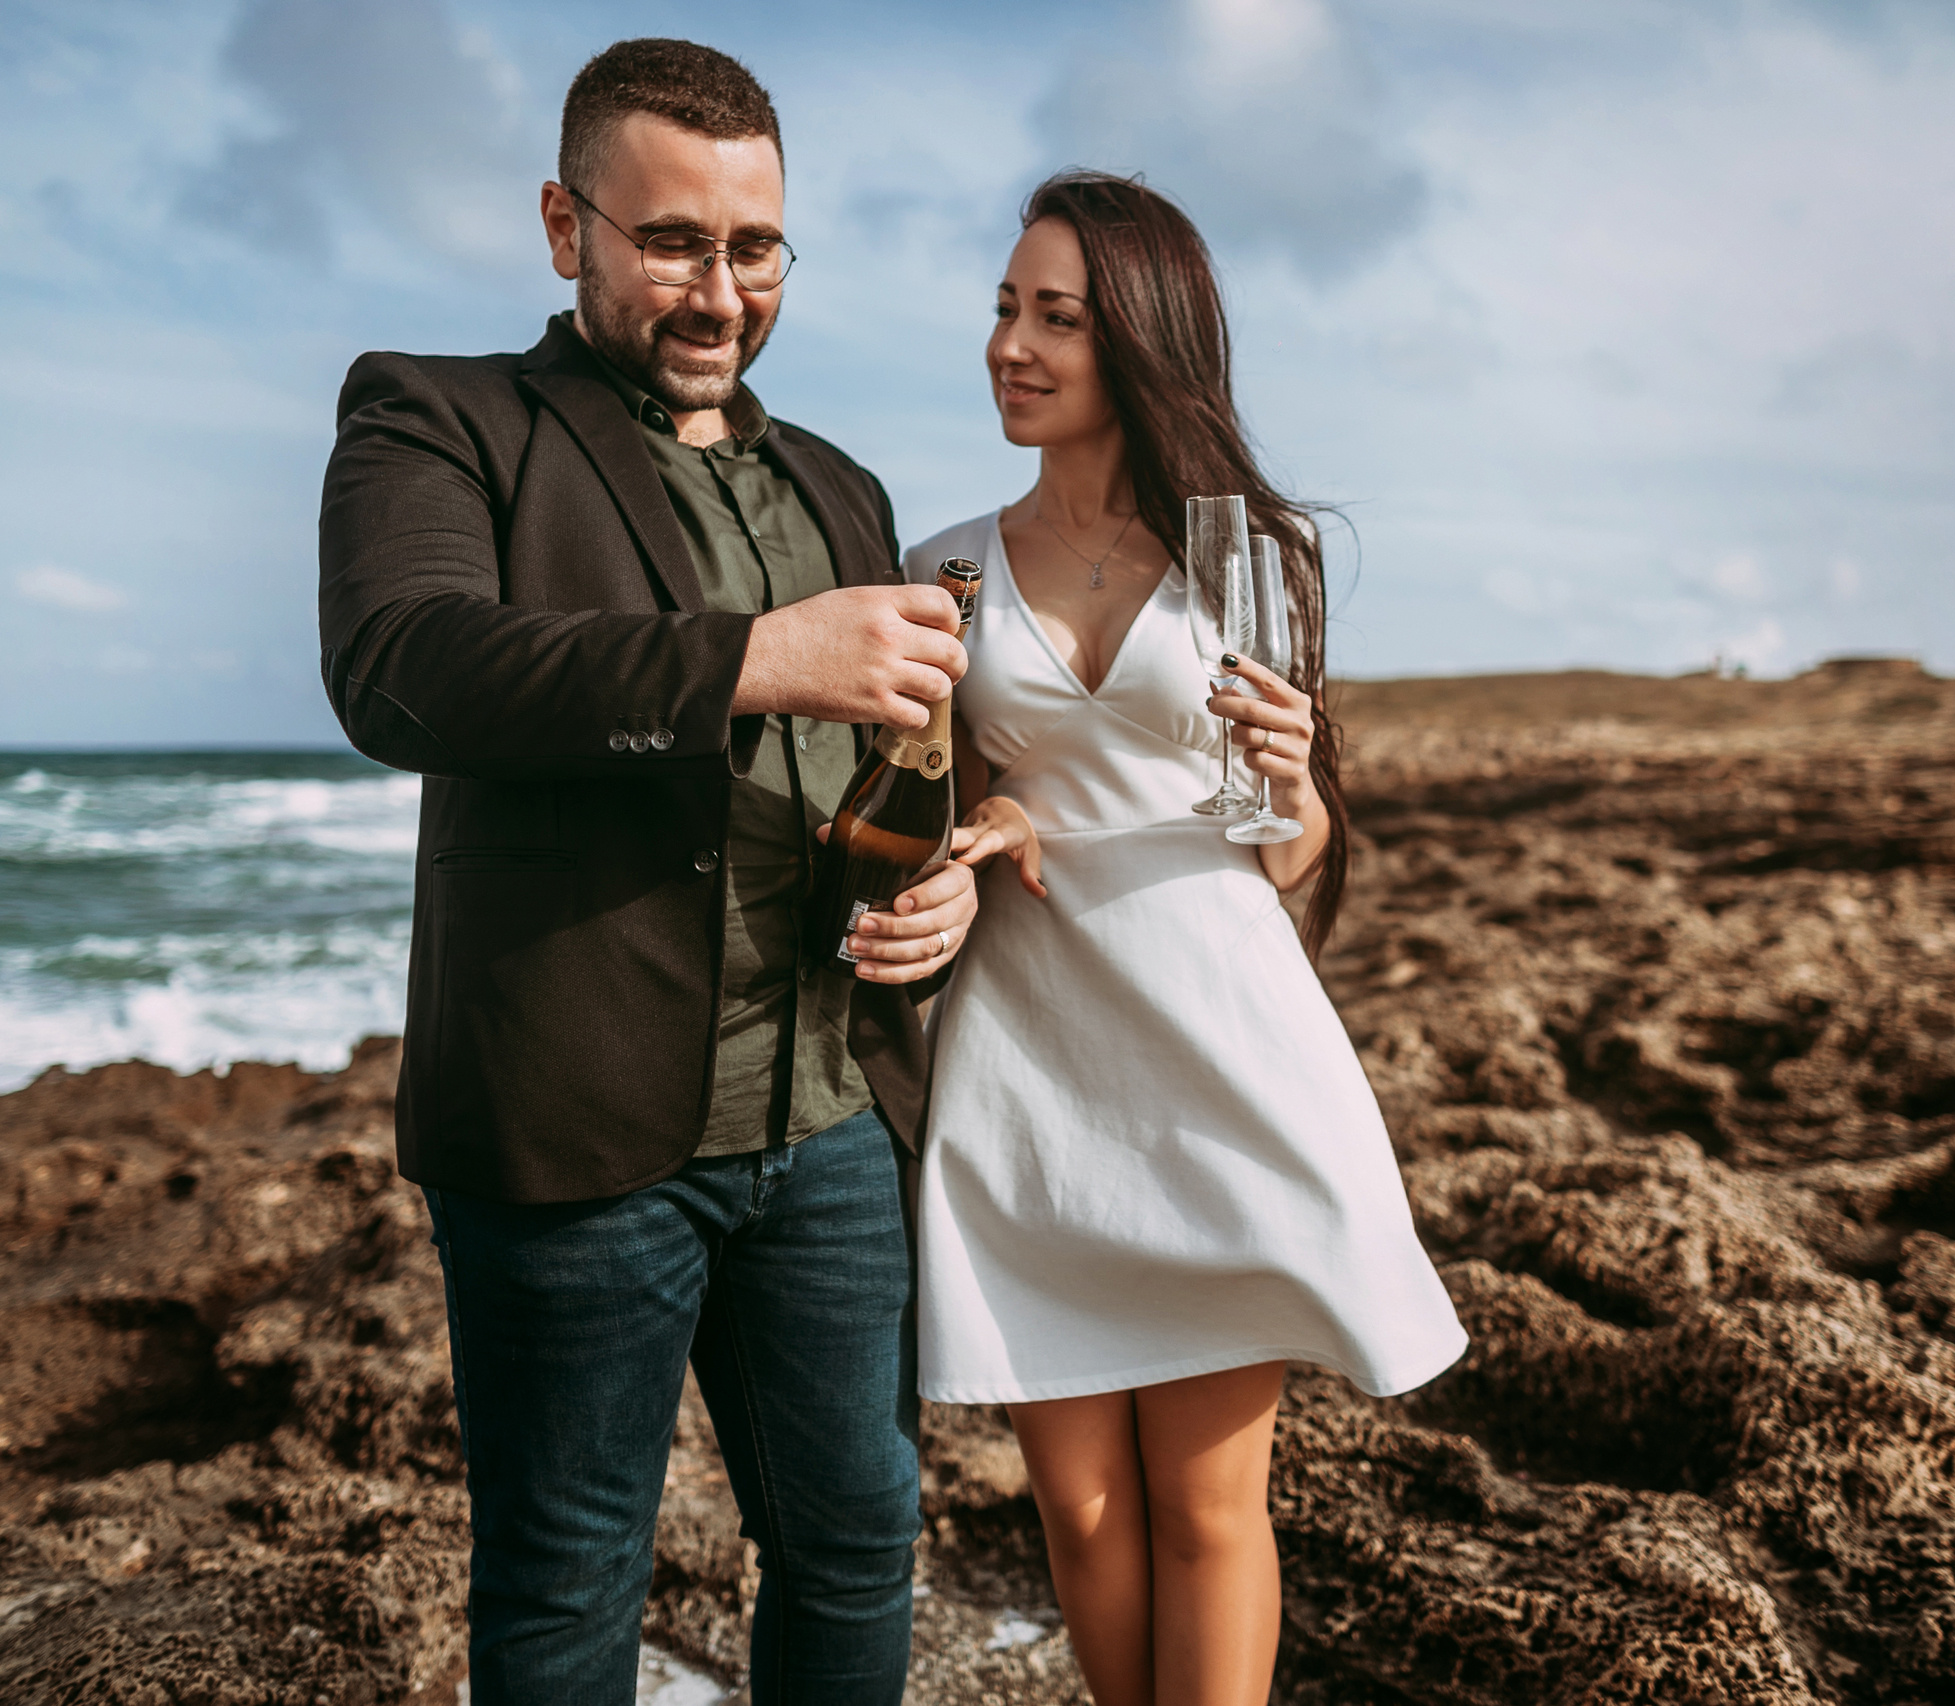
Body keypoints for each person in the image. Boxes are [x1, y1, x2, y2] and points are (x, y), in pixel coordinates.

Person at [316, 39, 977, 1704]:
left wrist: (943, 876)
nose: (721, 292)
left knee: (857, 1543)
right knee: (564, 1589)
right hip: (569, 1127)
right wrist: (754, 656)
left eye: (755, 249)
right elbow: (407, 666)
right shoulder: (435, 415)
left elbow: (900, 758)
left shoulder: (843, 484)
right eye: (674, 242)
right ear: (566, 226)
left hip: (831, 1117)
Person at [906, 172, 1470, 1706]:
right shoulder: (942, 568)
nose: (1012, 345)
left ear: (1140, 340)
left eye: (1057, 317)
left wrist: (1297, 781)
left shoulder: (1243, 555)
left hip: (1219, 1047)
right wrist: (990, 821)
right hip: (1030, 1066)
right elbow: (928, 803)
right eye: (1005, 308)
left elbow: (1283, 854)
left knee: (1206, 1505)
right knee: (1082, 1509)